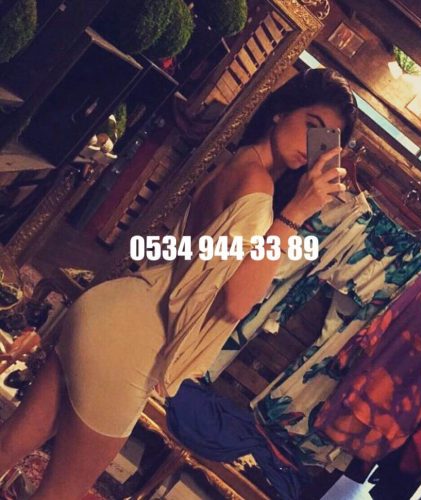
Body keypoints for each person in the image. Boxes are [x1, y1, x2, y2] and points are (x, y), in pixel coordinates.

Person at [0, 68, 357, 499]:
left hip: (109, 309)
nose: (312, 143)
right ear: (280, 112)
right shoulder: (259, 191)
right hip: (134, 343)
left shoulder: (238, 161)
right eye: (311, 125)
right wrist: (296, 213)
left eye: (326, 140)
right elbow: (236, 302)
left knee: (11, 440)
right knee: (61, 491)